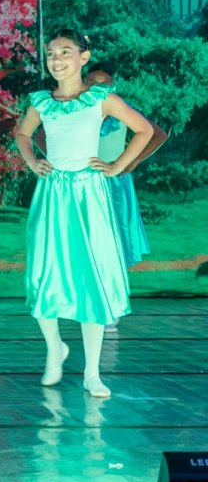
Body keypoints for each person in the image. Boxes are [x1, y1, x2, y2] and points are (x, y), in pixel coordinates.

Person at [15, 29, 153, 398]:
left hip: (89, 196)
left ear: (84, 57)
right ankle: (54, 349)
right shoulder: (42, 102)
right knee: (44, 273)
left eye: (65, 51)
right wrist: (33, 162)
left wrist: (116, 166)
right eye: (50, 53)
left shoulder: (100, 98)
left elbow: (143, 130)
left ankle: (92, 372)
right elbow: (23, 135)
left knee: (91, 276)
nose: (56, 59)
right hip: (52, 194)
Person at [85, 64, 169, 333]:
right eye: (92, 83)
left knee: (114, 243)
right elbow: (40, 134)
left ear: (112, 87)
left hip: (115, 185)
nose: (98, 88)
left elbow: (157, 134)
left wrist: (130, 162)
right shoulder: (76, 110)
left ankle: (111, 305)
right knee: (86, 242)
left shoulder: (122, 109)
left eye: (104, 84)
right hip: (83, 184)